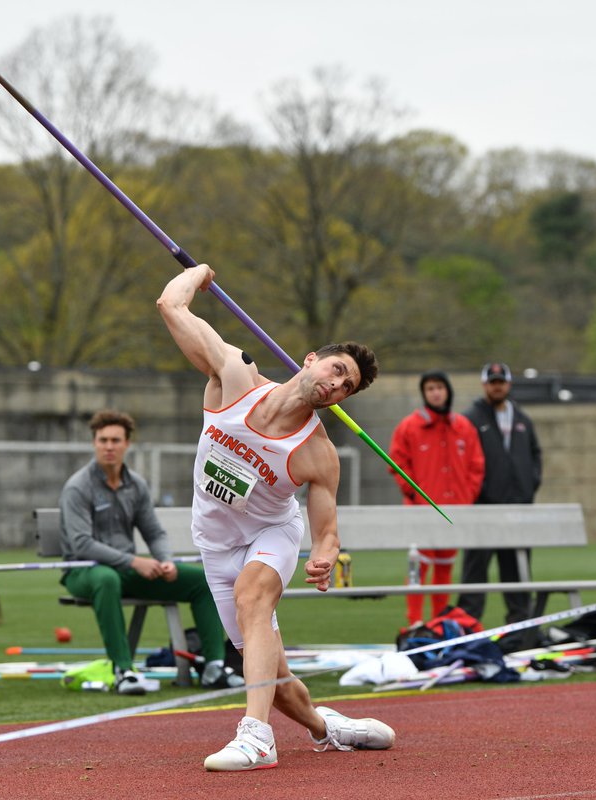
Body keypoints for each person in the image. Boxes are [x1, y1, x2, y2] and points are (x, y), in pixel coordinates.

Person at [157, 263, 395, 772]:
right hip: (215, 543)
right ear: (310, 360)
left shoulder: (317, 453)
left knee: (254, 597)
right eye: (335, 370)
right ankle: (328, 728)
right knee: (277, 680)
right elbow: (171, 307)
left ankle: (256, 737)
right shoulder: (235, 376)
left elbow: (326, 532)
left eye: (346, 387)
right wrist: (198, 273)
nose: (335, 384)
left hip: (271, 533)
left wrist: (324, 558)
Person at [59, 409, 236, 695]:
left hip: (126, 570)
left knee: (202, 580)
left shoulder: (136, 485)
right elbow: (81, 544)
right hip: (83, 571)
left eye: (115, 440)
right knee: (106, 579)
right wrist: (134, 561)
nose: (109, 446)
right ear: (94, 443)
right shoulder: (77, 488)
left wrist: (165, 560)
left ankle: (214, 665)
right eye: (103, 440)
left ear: (127, 444)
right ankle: (123, 670)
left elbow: (153, 532)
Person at [389, 369, 484, 624]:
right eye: (430, 388)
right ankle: (415, 622)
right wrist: (413, 493)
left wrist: (467, 496)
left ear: (448, 391)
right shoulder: (409, 426)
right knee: (418, 567)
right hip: (421, 511)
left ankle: (439, 622)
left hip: (454, 511)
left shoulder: (463, 427)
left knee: (445, 567)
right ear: (424, 393)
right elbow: (397, 463)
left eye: (440, 387)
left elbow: (477, 465)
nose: (436, 393)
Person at [458, 362, 543, 624]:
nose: (497, 386)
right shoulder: (470, 418)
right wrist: (478, 493)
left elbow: (535, 455)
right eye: (492, 382)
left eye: (501, 381)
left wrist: (529, 487)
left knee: (516, 570)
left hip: (517, 508)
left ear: (508, 384)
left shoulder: (522, 419)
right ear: (484, 385)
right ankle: (468, 625)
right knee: (475, 571)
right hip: (483, 508)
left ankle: (519, 627)